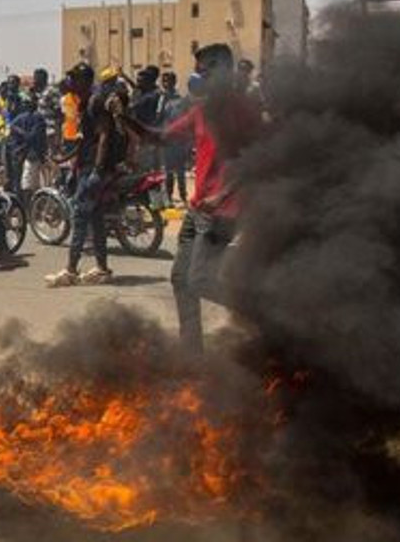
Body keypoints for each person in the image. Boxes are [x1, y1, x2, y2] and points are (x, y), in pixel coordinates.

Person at [132, 44, 262, 354]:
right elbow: (158, 137)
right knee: (181, 279)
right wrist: (121, 116)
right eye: (198, 72)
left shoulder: (242, 110)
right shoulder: (202, 111)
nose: (200, 78)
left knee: (200, 278)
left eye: (205, 72)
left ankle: (260, 311)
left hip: (225, 211)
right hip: (197, 210)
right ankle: (192, 356)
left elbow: (259, 158)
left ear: (223, 72)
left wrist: (221, 195)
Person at [45, 63, 129, 288]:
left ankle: (71, 271)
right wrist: (64, 158)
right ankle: (102, 269)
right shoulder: (85, 103)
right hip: (88, 166)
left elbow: (103, 136)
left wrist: (97, 171)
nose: (70, 82)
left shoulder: (94, 102)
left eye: (74, 78)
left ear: (84, 81)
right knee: (96, 218)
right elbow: (86, 139)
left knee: (80, 217)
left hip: (93, 169)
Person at [158, 71, 190, 205]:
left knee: (180, 170)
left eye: (168, 81)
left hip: (178, 140)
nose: (165, 84)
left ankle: (183, 195)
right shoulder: (161, 99)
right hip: (167, 140)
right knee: (168, 171)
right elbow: (159, 117)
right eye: (164, 81)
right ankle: (169, 196)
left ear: (174, 82)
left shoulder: (179, 100)